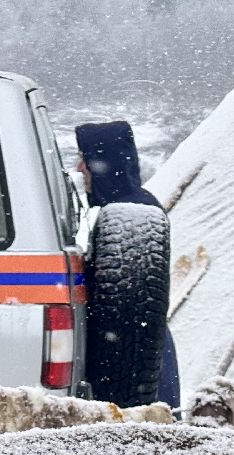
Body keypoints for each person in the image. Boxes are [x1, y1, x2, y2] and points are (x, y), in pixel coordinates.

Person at [74, 120, 180, 409]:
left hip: (131, 352)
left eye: (85, 159)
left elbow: (126, 295)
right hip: (132, 347)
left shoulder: (133, 211)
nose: (79, 168)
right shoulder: (112, 206)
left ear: (104, 162)